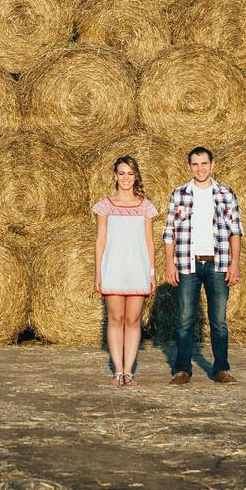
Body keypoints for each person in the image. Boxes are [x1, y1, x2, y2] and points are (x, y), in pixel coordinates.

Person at [163, 146, 243, 384]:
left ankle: (221, 368)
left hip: (217, 263)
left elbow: (235, 232)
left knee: (218, 321)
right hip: (188, 264)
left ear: (212, 165)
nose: (200, 168)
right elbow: (169, 233)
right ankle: (183, 370)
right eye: (195, 164)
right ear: (190, 167)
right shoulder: (179, 194)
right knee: (185, 320)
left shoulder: (226, 194)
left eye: (204, 163)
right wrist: (170, 264)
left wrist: (234, 263)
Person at [93, 155, 158, 386]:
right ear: (115, 176)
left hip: (137, 268)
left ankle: (129, 370)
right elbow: (100, 241)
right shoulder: (105, 206)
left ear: (136, 176)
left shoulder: (145, 206)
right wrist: (98, 273)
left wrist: (151, 273)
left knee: (133, 320)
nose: (126, 178)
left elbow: (149, 242)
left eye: (130, 173)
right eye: (122, 173)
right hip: (113, 268)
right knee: (115, 319)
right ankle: (117, 371)